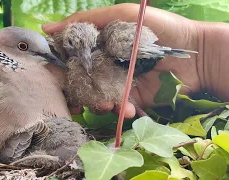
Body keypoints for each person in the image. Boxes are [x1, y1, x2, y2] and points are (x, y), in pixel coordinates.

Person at [42, 3, 229, 119]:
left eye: (90, 49)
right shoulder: (56, 48)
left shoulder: (113, 40)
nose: (85, 58)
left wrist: (200, 47)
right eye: (73, 48)